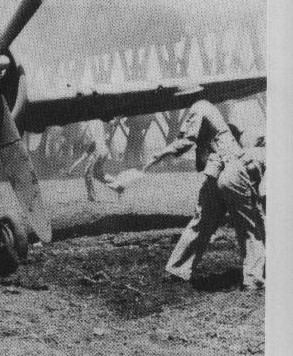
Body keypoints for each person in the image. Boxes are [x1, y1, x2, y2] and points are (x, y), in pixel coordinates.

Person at [145, 99, 265, 289]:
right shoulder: (207, 110)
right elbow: (194, 146)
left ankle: (178, 269)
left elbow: (187, 142)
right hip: (229, 167)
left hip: (222, 168)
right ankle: (253, 278)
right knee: (249, 227)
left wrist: (159, 155)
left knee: (203, 222)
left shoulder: (200, 107)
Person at [67, 119, 118, 201]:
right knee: (98, 175)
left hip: (100, 150)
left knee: (88, 173)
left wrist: (112, 124)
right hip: (103, 150)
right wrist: (71, 168)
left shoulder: (93, 134)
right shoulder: (91, 140)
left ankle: (92, 196)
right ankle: (118, 188)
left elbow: (84, 155)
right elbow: (83, 156)